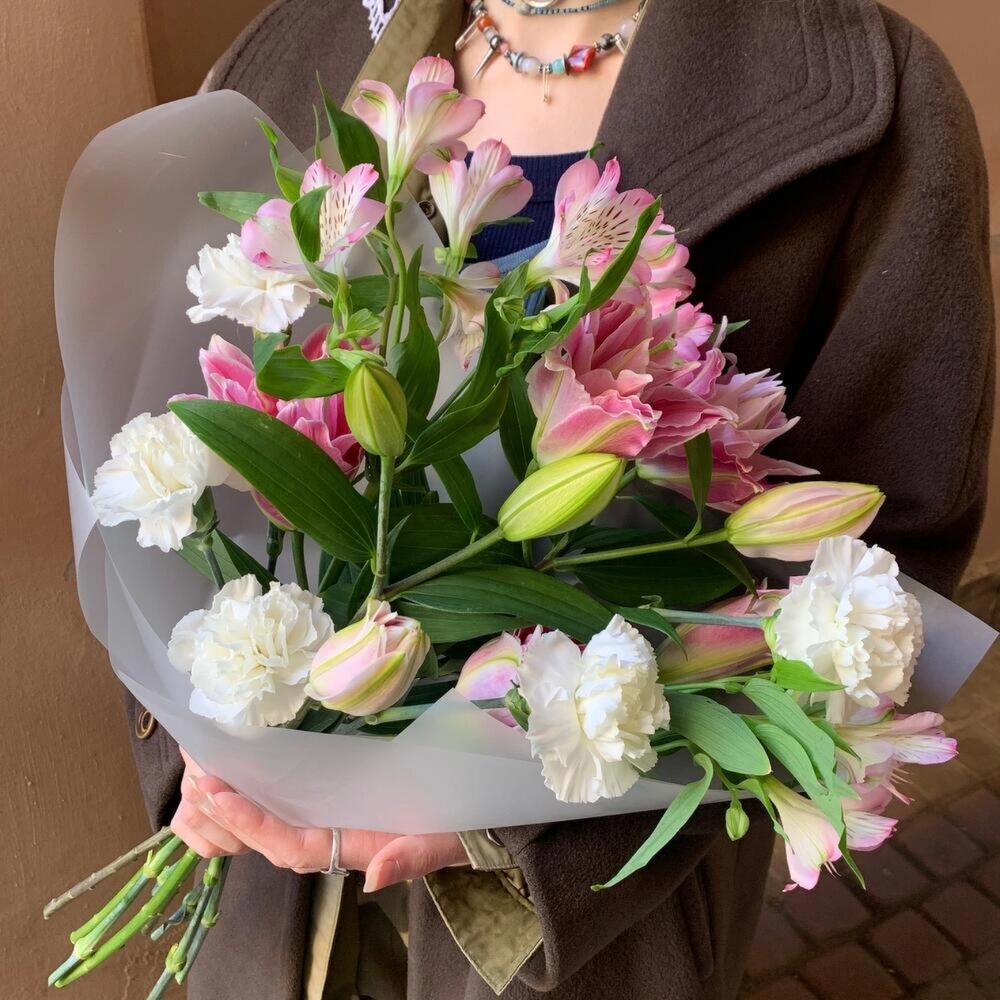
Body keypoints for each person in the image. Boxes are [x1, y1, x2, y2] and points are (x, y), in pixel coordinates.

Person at [122, 1, 995, 997]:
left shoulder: (881, 99)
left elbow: (884, 581)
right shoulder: (287, 54)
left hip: (580, 934)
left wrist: (524, 818)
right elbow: (167, 426)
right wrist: (201, 711)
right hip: (259, 885)